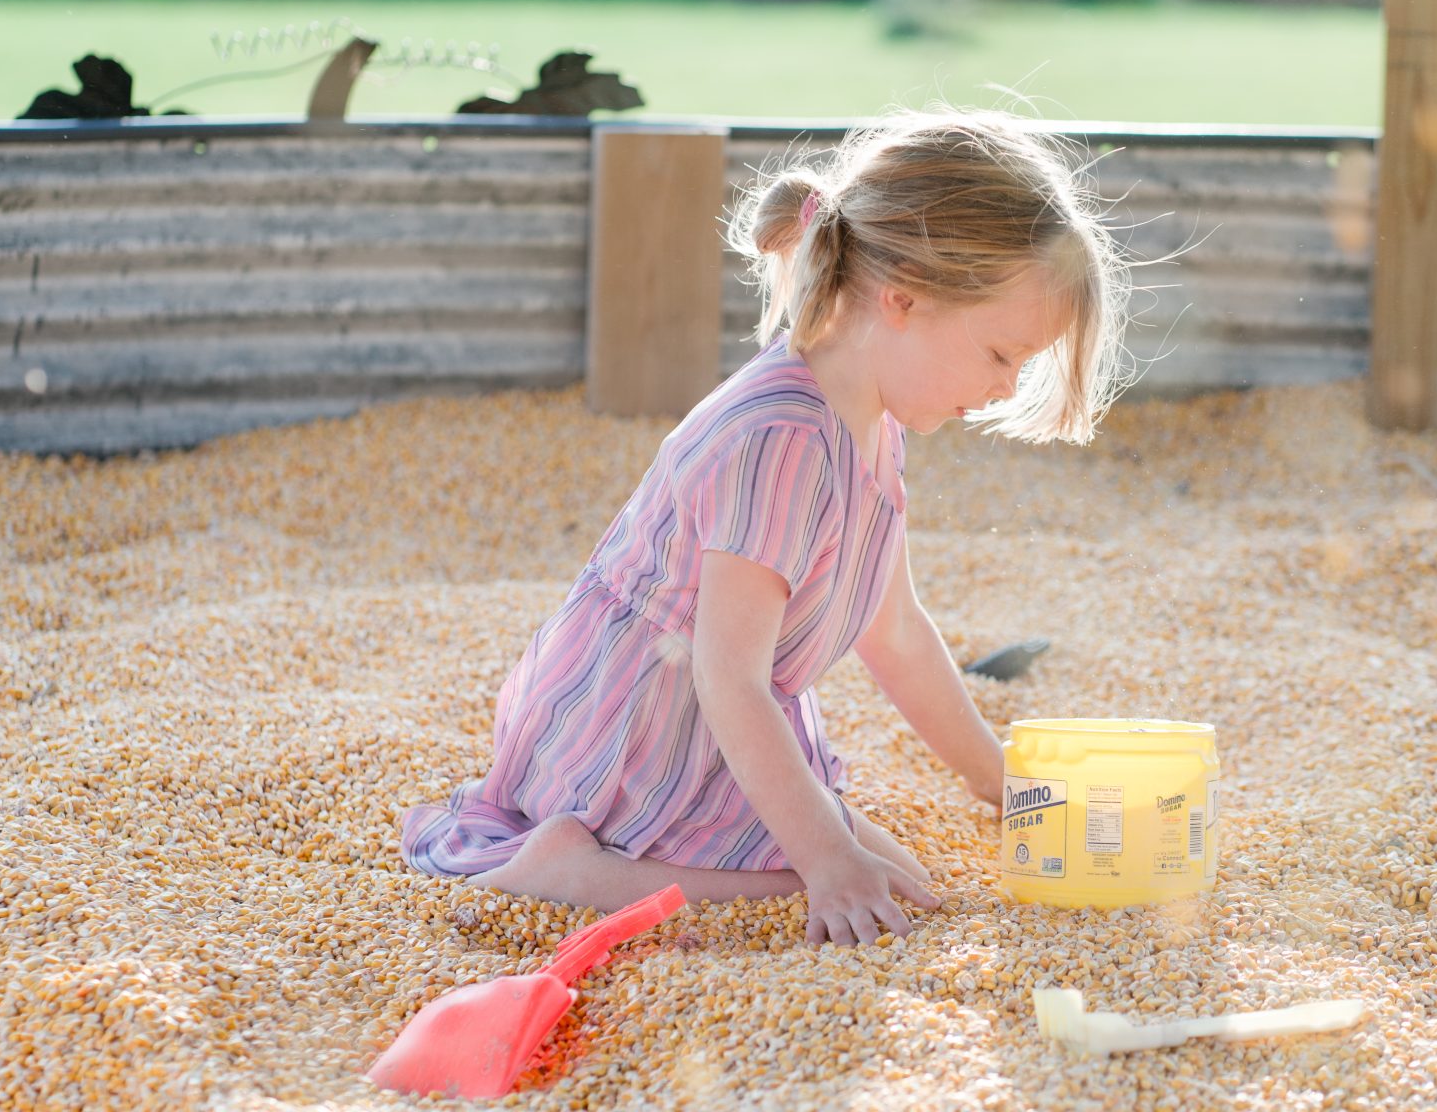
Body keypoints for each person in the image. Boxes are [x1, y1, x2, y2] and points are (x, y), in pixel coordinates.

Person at [400, 109, 1134, 945]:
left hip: (717, 728)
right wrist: (823, 858)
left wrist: (1004, 787)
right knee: (817, 885)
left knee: (899, 879)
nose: (1007, 388)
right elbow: (729, 679)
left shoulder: (871, 421)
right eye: (1003, 356)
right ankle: (573, 868)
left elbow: (895, 632)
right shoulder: (781, 438)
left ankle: (687, 858)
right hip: (640, 734)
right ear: (902, 300)